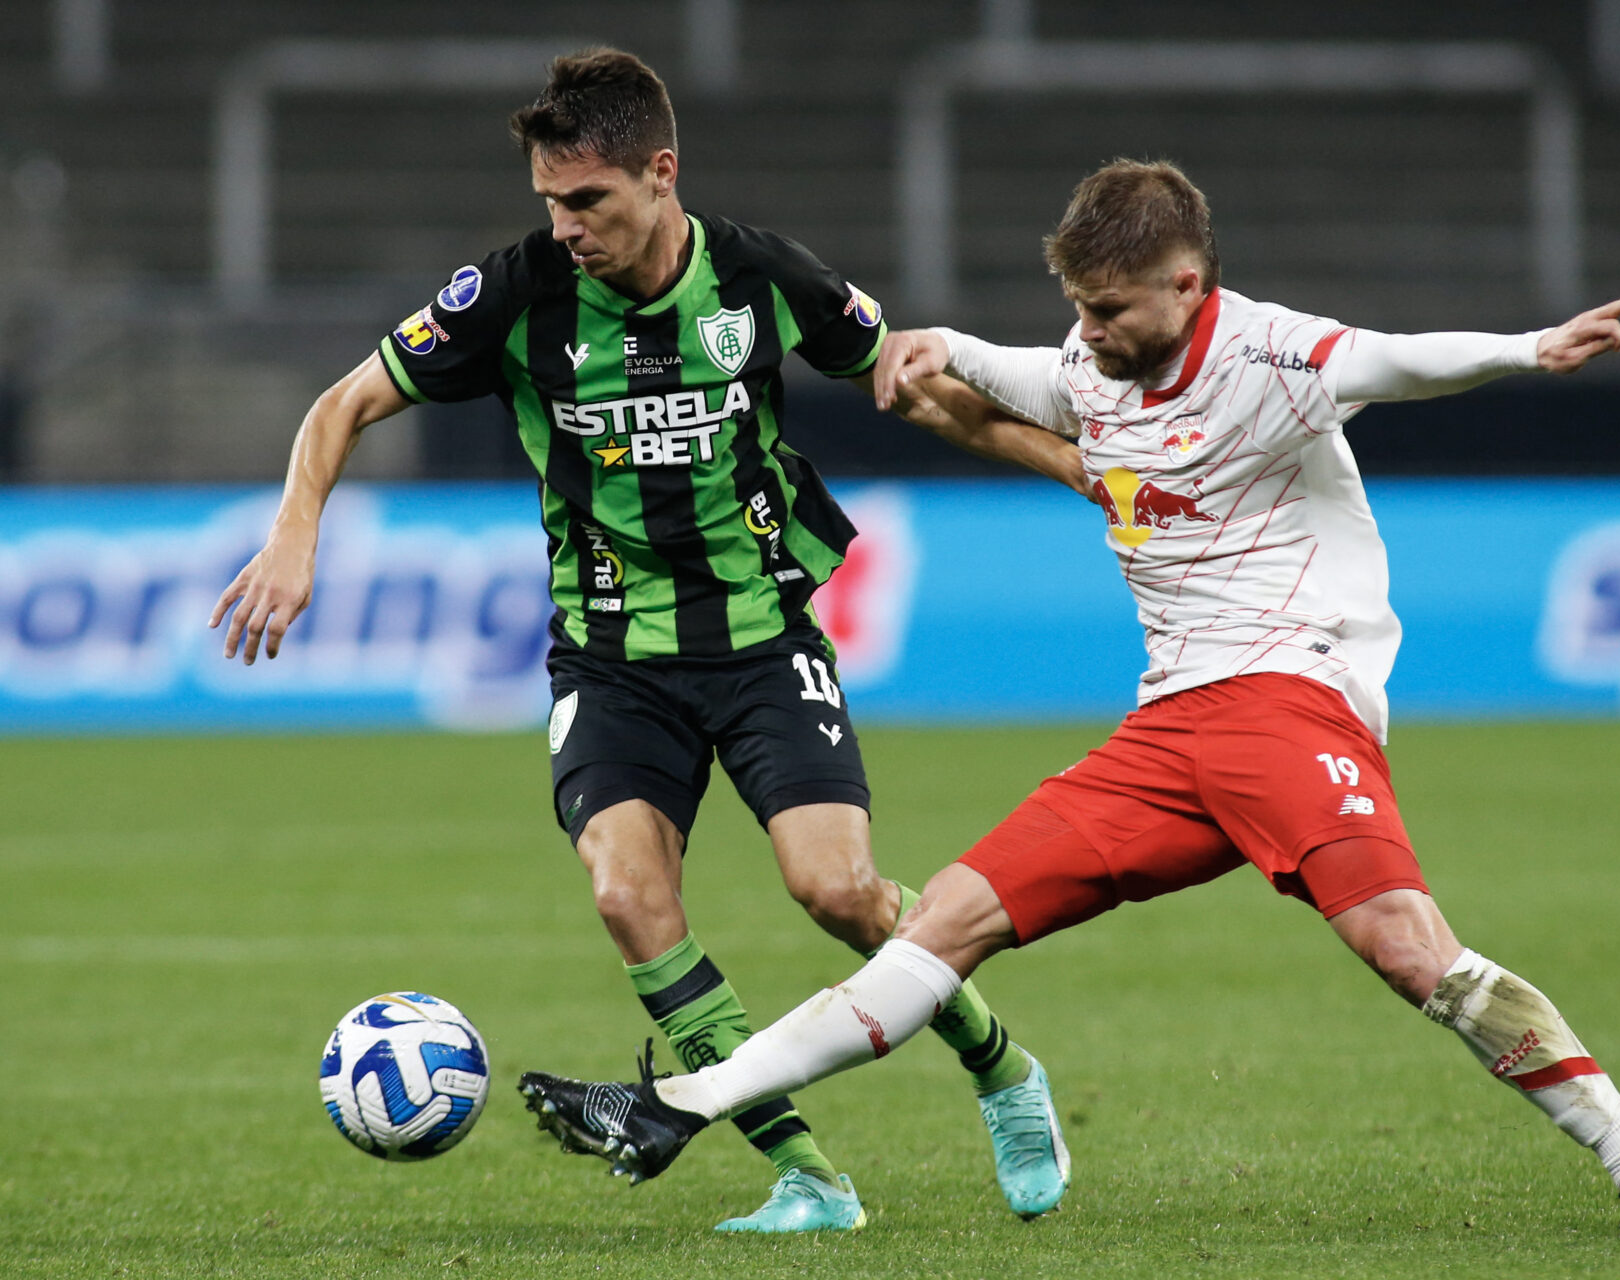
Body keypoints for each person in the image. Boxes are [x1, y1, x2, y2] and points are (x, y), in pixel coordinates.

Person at [516, 159, 1620, 1241]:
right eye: (1076, 307)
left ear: (1189, 284)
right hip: (1165, 735)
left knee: (1410, 951)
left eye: (1107, 309)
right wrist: (928, 345)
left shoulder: (1272, 355)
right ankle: (680, 1103)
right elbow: (1011, 371)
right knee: (942, 918)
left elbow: (1397, 361)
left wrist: (1532, 348)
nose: (1085, 334)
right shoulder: (1090, 365)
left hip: (1287, 703)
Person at [209, 48, 1082, 1233]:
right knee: (629, 895)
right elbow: (344, 400)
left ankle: (1000, 1067)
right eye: (549, 203)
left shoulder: (764, 277)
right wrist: (294, 531)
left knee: (837, 890)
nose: (564, 227)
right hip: (611, 656)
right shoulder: (514, 296)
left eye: (588, 202)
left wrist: (1077, 468)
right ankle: (808, 1176)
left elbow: (915, 385)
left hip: (763, 637)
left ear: (660, 174)